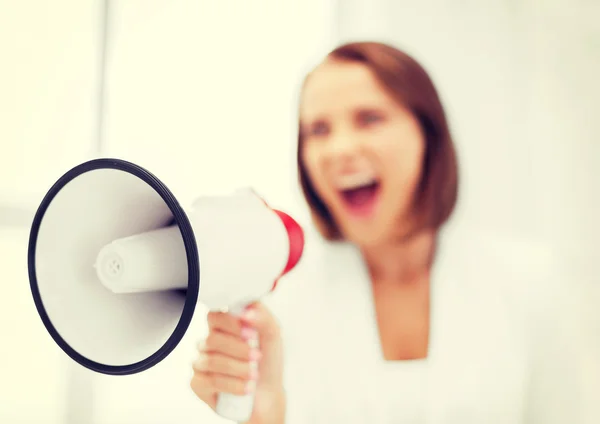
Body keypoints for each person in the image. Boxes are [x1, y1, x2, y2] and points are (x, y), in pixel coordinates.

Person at [188, 41, 596, 424]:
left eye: (370, 118)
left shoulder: (534, 283)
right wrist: (265, 418)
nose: (339, 150)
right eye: (318, 130)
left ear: (427, 136)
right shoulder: (279, 306)